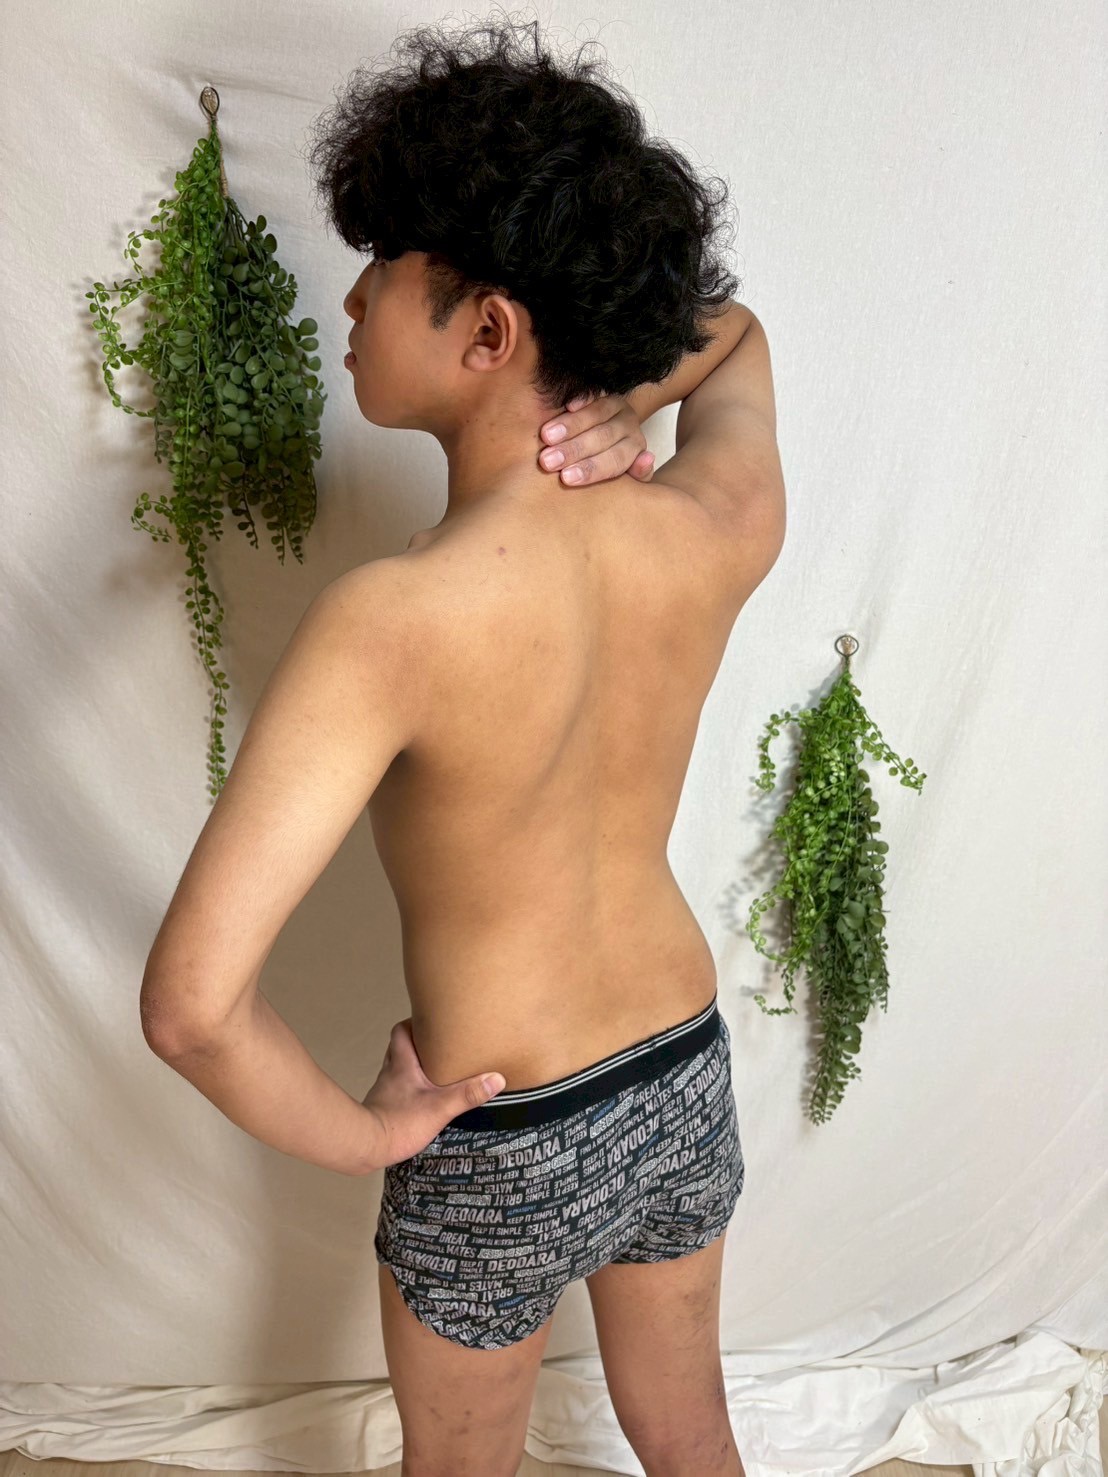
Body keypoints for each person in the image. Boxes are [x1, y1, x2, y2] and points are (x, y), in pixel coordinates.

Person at [140, 15, 785, 1477]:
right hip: (681, 1072)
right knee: (693, 1441)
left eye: (384, 265)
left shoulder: (394, 622)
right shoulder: (713, 525)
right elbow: (739, 337)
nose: (352, 296)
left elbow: (189, 1008)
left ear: (489, 332)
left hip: (497, 1135)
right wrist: (625, 392)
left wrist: (370, 1137)